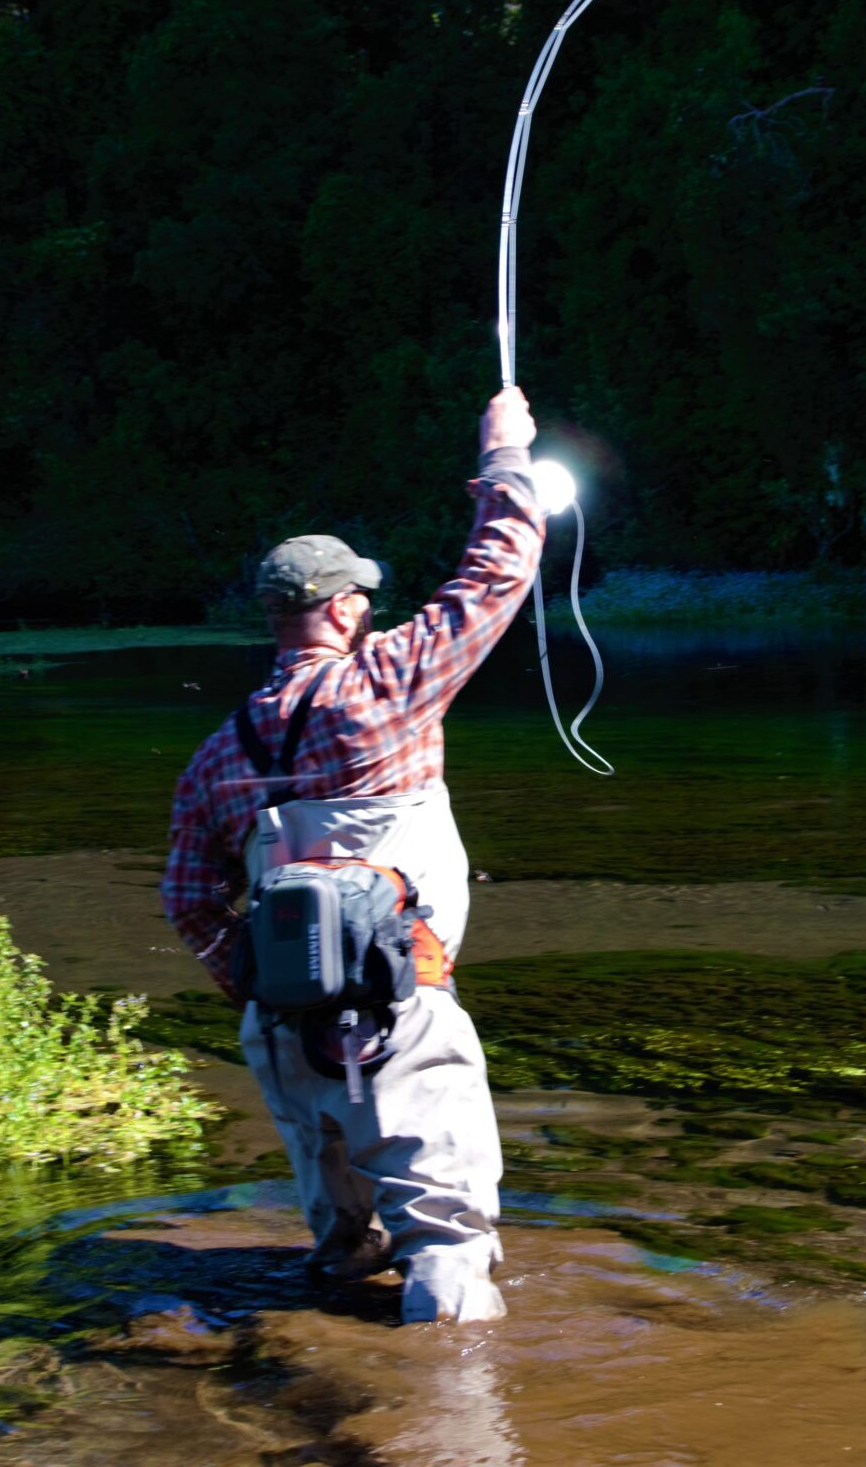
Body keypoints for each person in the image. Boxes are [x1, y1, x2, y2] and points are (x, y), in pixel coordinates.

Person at [162, 385, 545, 1324]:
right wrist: (506, 457)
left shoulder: (217, 753)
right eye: (364, 599)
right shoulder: (386, 684)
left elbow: (188, 898)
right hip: (398, 1004)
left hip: (283, 1027)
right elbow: (495, 577)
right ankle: (446, 1418)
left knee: (345, 1249)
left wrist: (260, 989)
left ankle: (312, 1368)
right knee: (446, 1249)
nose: (372, 612)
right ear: (340, 612)